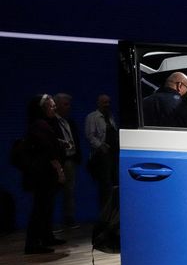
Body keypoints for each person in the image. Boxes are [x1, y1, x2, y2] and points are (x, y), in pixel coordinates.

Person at [23, 94, 66, 254]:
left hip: (44, 174)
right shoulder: (40, 125)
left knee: (46, 208)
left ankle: (46, 236)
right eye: (51, 106)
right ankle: (32, 243)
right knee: (40, 209)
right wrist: (60, 171)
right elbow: (49, 152)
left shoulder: (43, 124)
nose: (54, 108)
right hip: (43, 175)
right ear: (42, 108)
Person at [52, 93, 81, 230]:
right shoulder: (51, 122)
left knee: (69, 191)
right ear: (56, 105)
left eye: (69, 104)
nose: (68, 107)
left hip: (70, 160)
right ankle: (49, 222)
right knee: (53, 191)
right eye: (65, 104)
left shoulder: (69, 121)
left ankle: (68, 219)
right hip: (57, 160)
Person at [85, 94, 119, 212]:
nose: (107, 105)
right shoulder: (92, 117)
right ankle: (104, 212)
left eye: (108, 102)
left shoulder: (110, 117)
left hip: (113, 154)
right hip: (102, 155)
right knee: (105, 184)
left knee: (115, 183)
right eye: (104, 102)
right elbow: (90, 136)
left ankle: (113, 212)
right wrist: (101, 146)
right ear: (98, 103)